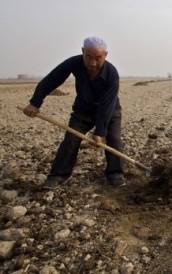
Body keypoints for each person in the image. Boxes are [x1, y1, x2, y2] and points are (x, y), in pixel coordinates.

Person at [23, 36, 124, 189]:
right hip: (83, 110)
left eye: (98, 58)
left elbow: (107, 104)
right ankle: (58, 175)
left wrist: (100, 131)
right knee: (70, 139)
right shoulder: (74, 63)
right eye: (88, 57)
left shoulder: (112, 74)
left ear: (105, 55)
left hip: (109, 111)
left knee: (114, 139)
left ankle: (115, 173)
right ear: (82, 52)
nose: (92, 63)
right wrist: (35, 103)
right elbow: (51, 80)